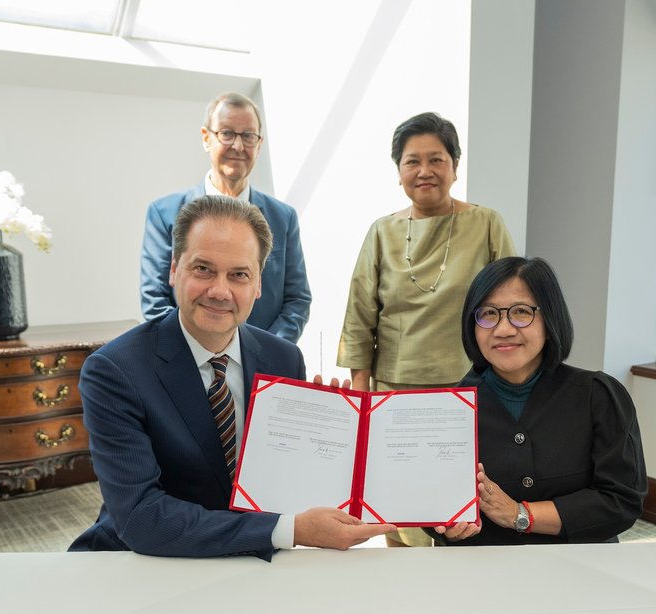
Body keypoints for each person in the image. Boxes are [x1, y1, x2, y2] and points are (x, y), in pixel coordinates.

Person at [71, 196, 393, 559]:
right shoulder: (114, 371)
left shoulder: (284, 359)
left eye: (238, 274)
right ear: (174, 269)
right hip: (141, 562)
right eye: (203, 269)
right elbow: (143, 519)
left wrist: (327, 440)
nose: (220, 291)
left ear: (258, 284)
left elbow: (285, 486)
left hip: (253, 560)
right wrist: (291, 529)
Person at [337, 111, 517, 546]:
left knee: (458, 509)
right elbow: (359, 322)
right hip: (392, 395)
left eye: (436, 159)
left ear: (455, 165)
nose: (424, 171)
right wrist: (362, 404)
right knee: (399, 512)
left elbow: (511, 305)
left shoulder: (487, 224)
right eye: (411, 161)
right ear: (398, 171)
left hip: (467, 391)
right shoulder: (381, 232)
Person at [432, 256, 648, 546]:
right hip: (484, 572)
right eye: (488, 314)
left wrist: (519, 514)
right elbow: (429, 502)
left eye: (521, 312)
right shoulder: (447, 409)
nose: (503, 329)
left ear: (550, 319)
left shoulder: (598, 395)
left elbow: (621, 502)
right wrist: (442, 526)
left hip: (581, 571)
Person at [139, 92, 311, 343]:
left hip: (261, 369)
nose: (238, 146)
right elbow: (155, 301)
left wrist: (261, 353)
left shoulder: (283, 218)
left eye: (248, 136)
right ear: (206, 138)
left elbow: (297, 299)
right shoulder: (164, 214)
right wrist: (203, 354)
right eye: (227, 134)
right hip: (188, 366)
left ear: (259, 144)